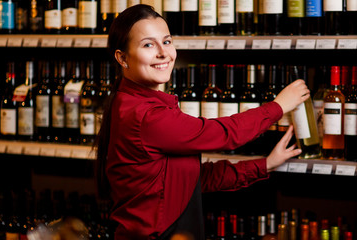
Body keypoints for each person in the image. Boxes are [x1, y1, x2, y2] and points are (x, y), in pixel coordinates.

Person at [95, 4, 310, 240]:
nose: (163, 53)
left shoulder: (131, 102)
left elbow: (192, 179)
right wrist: (278, 106)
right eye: (148, 44)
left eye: (166, 41)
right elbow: (224, 134)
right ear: (122, 58)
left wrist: (265, 164)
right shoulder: (145, 115)